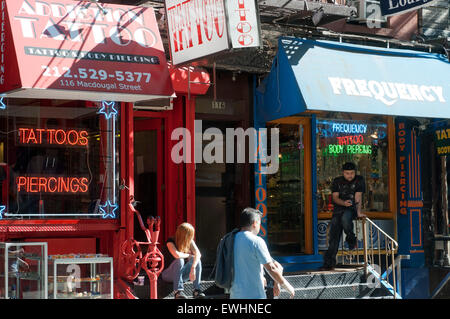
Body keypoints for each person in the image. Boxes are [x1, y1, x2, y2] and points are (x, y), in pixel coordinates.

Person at [230, 207, 295, 299]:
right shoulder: (256, 241)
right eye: (260, 223)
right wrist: (288, 287)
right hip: (254, 295)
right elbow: (271, 268)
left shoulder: (231, 240)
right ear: (255, 223)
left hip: (234, 295)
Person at [321, 162, 366, 271]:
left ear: (355, 172)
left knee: (346, 219)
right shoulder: (337, 181)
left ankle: (351, 238)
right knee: (334, 235)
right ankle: (329, 262)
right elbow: (335, 198)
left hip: (351, 208)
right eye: (347, 173)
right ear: (343, 173)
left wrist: (359, 212)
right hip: (339, 208)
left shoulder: (359, 180)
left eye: (352, 173)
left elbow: (358, 197)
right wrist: (343, 203)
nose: (350, 175)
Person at [161, 222, 205, 299]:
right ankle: (178, 292)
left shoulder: (190, 241)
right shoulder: (170, 241)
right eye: (190, 234)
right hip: (168, 274)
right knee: (180, 260)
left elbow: (198, 254)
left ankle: (196, 290)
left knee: (197, 260)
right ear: (184, 234)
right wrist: (189, 255)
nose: (191, 237)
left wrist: (193, 268)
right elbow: (177, 255)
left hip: (181, 274)